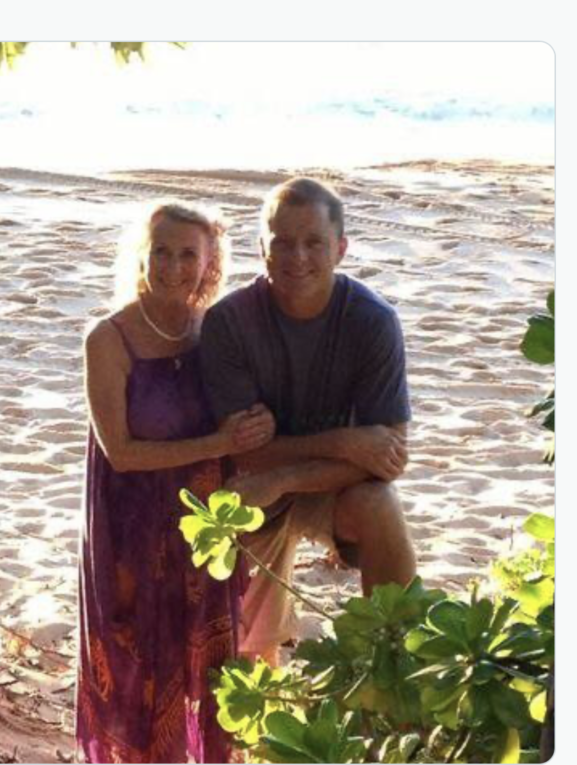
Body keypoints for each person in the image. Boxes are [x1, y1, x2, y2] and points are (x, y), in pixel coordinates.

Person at [77, 202, 275, 763]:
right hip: (131, 530)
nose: (172, 266)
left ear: (210, 263)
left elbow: (247, 411)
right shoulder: (108, 339)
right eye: (160, 251)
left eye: (188, 254)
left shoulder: (215, 333)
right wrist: (219, 444)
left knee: (213, 669)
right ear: (141, 256)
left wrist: (260, 425)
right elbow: (120, 453)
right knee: (139, 670)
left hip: (205, 529)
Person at [200, 176, 417, 666]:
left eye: (314, 242)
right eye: (282, 242)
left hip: (327, 488)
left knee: (379, 502)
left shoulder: (372, 320)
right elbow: (244, 448)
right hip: (252, 485)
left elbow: (390, 458)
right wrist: (345, 442)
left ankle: (395, 659)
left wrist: (286, 476)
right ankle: (263, 668)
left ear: (340, 248)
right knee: (248, 657)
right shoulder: (229, 322)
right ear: (262, 248)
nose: (297, 257)